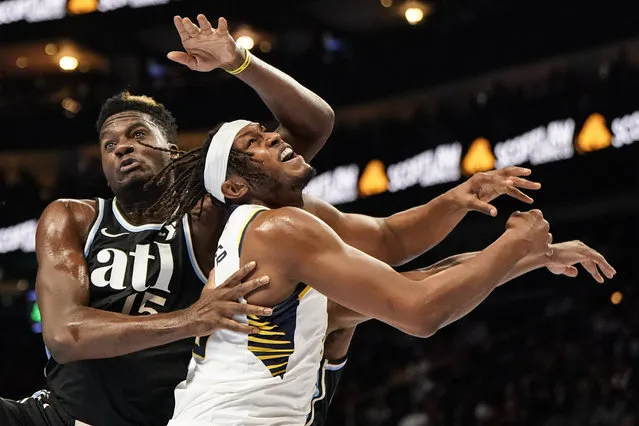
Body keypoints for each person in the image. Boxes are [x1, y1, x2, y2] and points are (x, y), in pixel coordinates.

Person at [147, 119, 614, 425]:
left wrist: (533, 256)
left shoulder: (274, 241)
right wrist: (513, 243)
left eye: (267, 133)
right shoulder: (280, 227)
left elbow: (401, 260)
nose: (274, 137)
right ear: (234, 186)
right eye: (254, 144)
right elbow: (420, 312)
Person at [0, 14, 336, 426]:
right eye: (110, 144)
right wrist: (189, 319)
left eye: (138, 135)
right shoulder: (73, 217)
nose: (123, 147)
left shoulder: (210, 211)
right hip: (62, 416)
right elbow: (64, 334)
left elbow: (314, 126)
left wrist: (238, 62)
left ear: (173, 148)